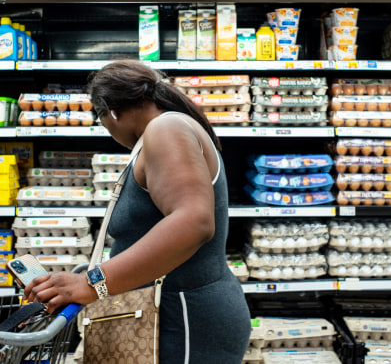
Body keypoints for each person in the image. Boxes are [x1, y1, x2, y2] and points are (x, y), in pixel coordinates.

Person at [23, 59, 252, 363]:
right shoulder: (160, 133)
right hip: (172, 312)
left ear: (111, 112)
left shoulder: (165, 128)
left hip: (184, 318)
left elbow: (193, 222)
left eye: (99, 117)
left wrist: (94, 283)